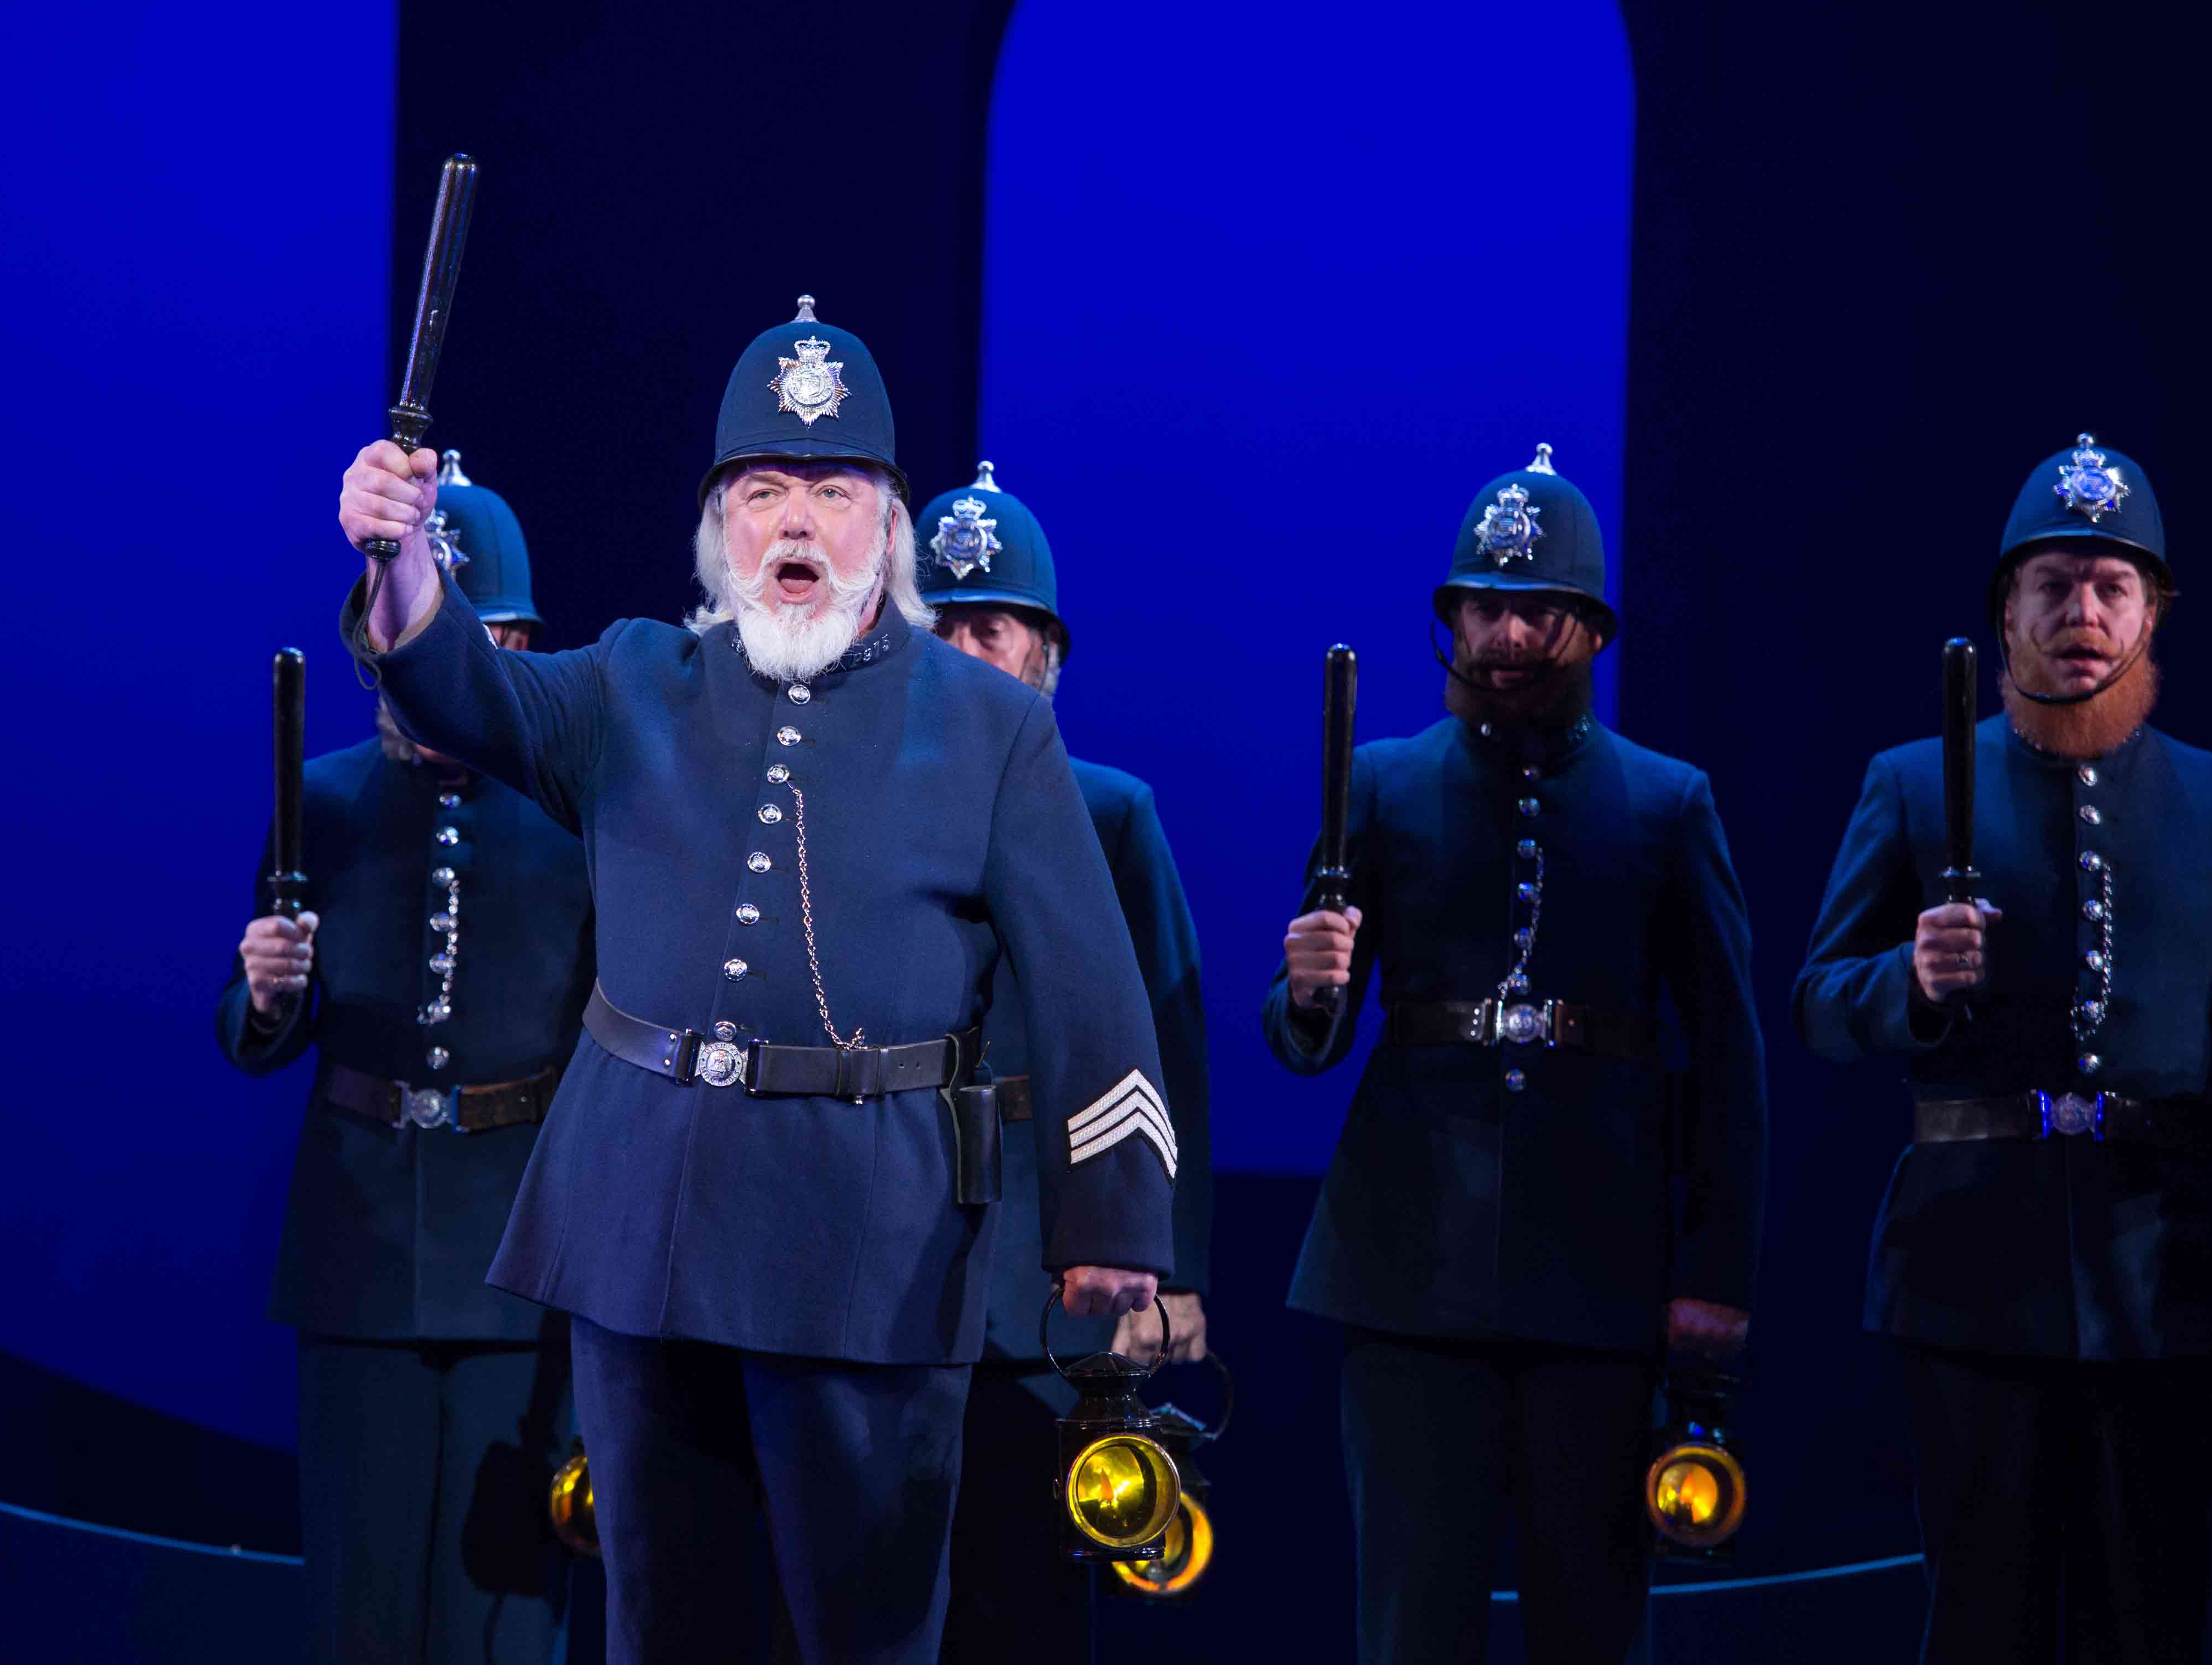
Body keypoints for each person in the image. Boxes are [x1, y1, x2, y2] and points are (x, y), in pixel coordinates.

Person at [333, 297, 1177, 1665]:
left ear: (887, 525)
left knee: (861, 1633)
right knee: (666, 1626)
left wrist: (1111, 1217)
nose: (796, 522)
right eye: (764, 489)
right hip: (642, 1226)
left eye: (832, 490)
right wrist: (400, 560)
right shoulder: (630, 679)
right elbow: (461, 693)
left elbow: (1092, 981)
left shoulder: (992, 728)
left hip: (871, 1244)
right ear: (720, 524)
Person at [1794, 433, 2212, 1663]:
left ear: (2152, 612)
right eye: (2052, 583)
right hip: (1965, 1271)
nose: (2081, 611)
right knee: (1982, 1623)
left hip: (2169, 1281)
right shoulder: (1913, 782)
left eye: (2110, 584)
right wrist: (1905, 983)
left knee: (2150, 1622)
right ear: (2004, 610)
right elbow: (1819, 1000)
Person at [1264, 444, 1767, 1664]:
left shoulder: (1664, 800)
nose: (1500, 633)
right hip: (1405, 1261)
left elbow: (1728, 1055)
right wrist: (1305, 986)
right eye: (1480, 606)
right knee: (1409, 1624)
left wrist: (1713, 1274)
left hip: (1595, 1273)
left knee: (1587, 1622)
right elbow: (1305, 1042)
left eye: (1531, 608)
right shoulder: (1379, 782)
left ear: (1587, 627)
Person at [220, 453, 594, 1664]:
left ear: (519, 649)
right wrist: (271, 992)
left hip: (518, 1263)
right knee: (361, 1615)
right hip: (359, 1253)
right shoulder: (322, 797)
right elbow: (252, 1026)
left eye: (478, 641)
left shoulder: (578, 816)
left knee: (503, 1616)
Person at [913, 463, 1213, 1660]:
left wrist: (1171, 1261)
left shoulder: (1110, 813)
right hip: (883, 1262)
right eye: (935, 624)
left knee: (1026, 1603)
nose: (962, 650)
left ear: (1045, 651)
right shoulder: (834, 814)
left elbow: (1166, 1048)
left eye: (990, 625)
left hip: (1051, 1270)